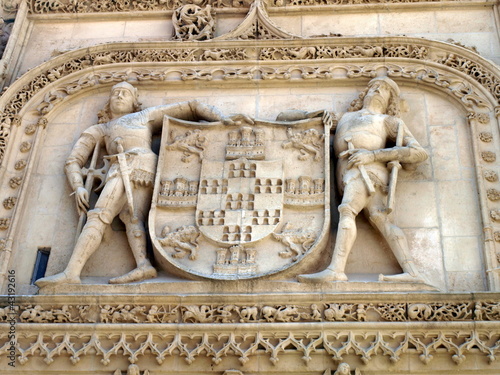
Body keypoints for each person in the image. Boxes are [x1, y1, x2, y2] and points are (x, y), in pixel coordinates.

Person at [36, 82, 252, 287]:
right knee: (131, 218)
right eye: (115, 93)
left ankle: (72, 273)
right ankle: (143, 265)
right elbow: (73, 160)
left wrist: (222, 118)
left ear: (134, 101)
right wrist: (79, 186)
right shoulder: (100, 129)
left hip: (133, 166)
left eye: (125, 93)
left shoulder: (143, 117)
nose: (119, 96)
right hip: (124, 168)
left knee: (99, 215)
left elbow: (191, 106)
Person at [299, 77, 428, 283]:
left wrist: (374, 155)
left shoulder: (388, 122)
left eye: (384, 90)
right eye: (373, 87)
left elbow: (418, 153)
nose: (377, 90)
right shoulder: (345, 118)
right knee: (381, 219)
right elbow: (287, 117)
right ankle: (412, 272)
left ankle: (336, 270)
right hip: (347, 173)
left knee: (347, 210)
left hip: (368, 172)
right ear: (364, 95)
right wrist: (311, 114)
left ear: (389, 101)